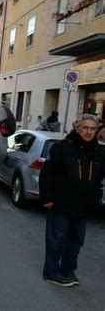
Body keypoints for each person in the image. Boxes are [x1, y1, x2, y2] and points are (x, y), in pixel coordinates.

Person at [39, 114, 103, 287]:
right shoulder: (62, 148)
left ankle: (68, 271)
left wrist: (95, 201)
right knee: (56, 240)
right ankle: (51, 273)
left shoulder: (99, 152)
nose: (89, 132)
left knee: (76, 241)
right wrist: (47, 198)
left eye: (92, 129)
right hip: (61, 203)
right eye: (85, 128)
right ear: (78, 128)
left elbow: (98, 180)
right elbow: (47, 174)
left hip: (83, 207)